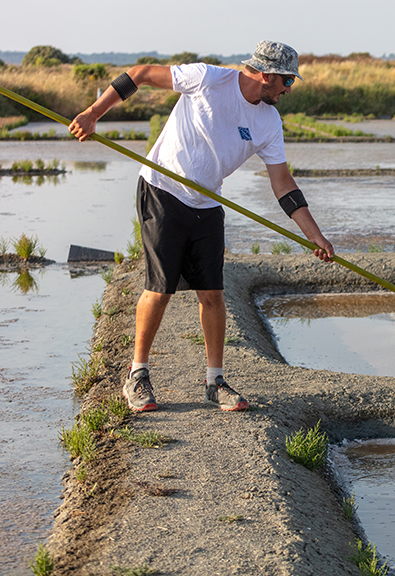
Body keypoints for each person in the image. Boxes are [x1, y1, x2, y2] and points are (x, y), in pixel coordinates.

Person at [69, 40, 334, 412]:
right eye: (287, 80)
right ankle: (137, 375)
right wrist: (94, 112)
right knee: (160, 290)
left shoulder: (269, 121)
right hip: (163, 191)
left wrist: (314, 235)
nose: (289, 89)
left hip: (208, 202)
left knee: (212, 294)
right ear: (267, 75)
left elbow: (283, 183)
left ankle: (215, 382)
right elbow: (141, 74)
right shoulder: (208, 79)